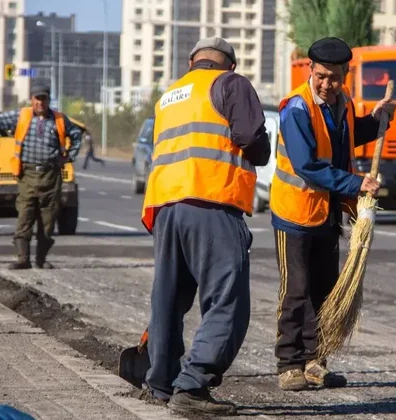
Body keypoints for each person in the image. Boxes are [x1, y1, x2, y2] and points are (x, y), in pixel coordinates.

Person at [139, 37, 270, 415]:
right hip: (211, 202)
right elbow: (250, 139)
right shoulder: (231, 84)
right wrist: (262, 150)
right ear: (230, 64)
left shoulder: (169, 96)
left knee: (168, 299)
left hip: (166, 206)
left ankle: (161, 382)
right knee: (227, 300)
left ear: (192, 61)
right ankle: (193, 386)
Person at [269, 37, 396, 392]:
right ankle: (289, 363)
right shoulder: (297, 108)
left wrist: (377, 120)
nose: (327, 84)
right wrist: (356, 184)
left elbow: (347, 137)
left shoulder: (343, 103)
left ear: (345, 75)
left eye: (335, 78)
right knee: (295, 290)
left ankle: (315, 361)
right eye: (321, 76)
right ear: (310, 70)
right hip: (294, 214)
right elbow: (307, 165)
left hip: (326, 214)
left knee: (324, 290)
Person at [0, 86, 83, 270]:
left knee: (48, 220)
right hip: (27, 175)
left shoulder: (59, 119)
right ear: (32, 100)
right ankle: (23, 258)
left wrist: (68, 157)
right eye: (37, 99)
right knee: (25, 216)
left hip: (51, 176)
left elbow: (76, 135)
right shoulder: (22, 116)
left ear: (49, 100)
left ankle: (41, 259)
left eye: (44, 99)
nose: (40, 103)